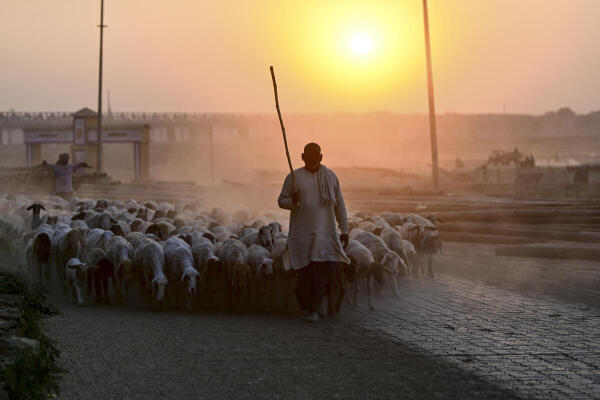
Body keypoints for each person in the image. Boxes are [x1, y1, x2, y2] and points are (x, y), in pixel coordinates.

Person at [278, 142, 350, 322]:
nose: (311, 159)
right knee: (305, 273)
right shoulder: (294, 177)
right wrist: (292, 201)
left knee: (326, 268)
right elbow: (281, 201)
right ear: (302, 157)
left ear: (321, 157)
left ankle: (321, 304)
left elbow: (339, 205)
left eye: (315, 156)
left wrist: (345, 229)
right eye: (308, 156)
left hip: (326, 232)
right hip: (302, 233)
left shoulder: (331, 177)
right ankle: (312, 308)